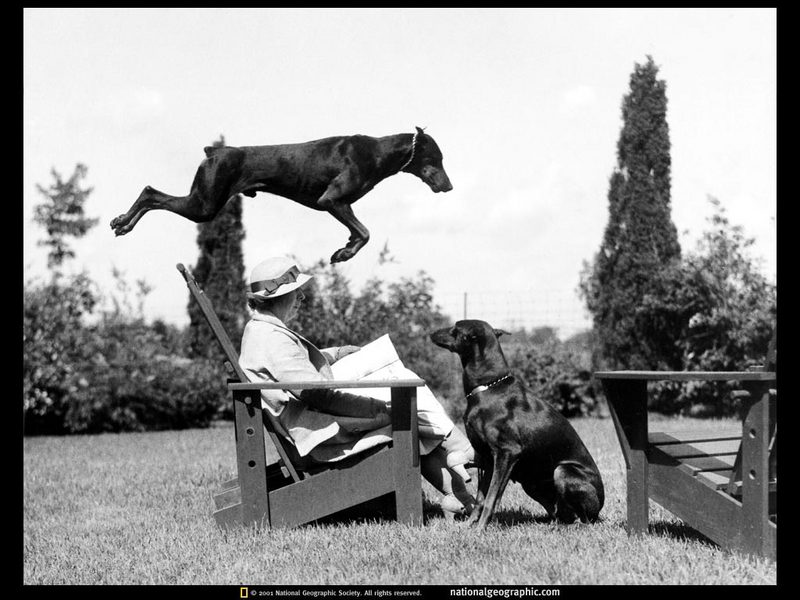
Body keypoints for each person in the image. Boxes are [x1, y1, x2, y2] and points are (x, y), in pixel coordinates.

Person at [239, 256, 476, 517]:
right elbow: (318, 395)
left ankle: (458, 487)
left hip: (310, 420)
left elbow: (297, 367)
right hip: (317, 434)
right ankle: (460, 459)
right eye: (297, 293)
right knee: (403, 409)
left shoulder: (262, 330)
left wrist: (336, 353)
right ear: (278, 297)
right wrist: (373, 408)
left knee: (400, 384)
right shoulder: (272, 339)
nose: (302, 299)